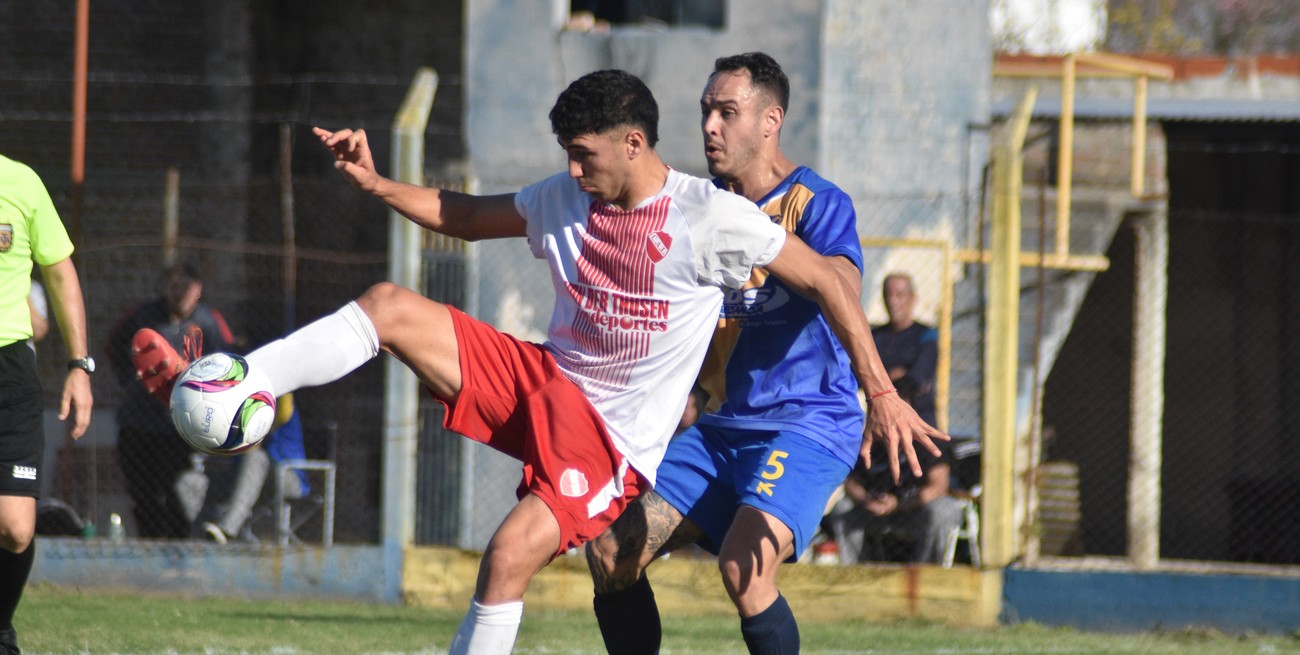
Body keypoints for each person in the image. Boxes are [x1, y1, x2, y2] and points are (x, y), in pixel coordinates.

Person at [133, 68, 933, 655]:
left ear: (632, 142)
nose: (574, 172)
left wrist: (879, 391)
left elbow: (831, 277)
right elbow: (465, 215)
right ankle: (246, 381)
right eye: (568, 158)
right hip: (547, 384)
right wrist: (375, 182)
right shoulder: (565, 195)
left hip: (612, 439)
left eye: (586, 156)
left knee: (520, 551)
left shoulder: (713, 217)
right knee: (388, 305)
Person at [583, 52, 944, 655]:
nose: (709, 127)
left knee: (743, 572)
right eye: (705, 112)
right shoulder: (698, 206)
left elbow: (841, 295)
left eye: (728, 112)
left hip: (807, 423)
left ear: (770, 120)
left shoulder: (816, 203)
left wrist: (881, 392)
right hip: (725, 428)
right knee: (611, 552)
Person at [0, 154, 94, 655]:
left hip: (9, 369)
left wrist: (80, 365)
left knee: (15, 528)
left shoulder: (22, 181)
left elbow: (59, 275)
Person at [106, 262, 236, 538]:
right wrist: (130, 379)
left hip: (180, 427)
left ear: (198, 290)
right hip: (139, 421)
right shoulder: (144, 317)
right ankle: (148, 548)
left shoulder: (209, 322)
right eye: (174, 286)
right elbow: (113, 344)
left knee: (176, 488)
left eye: (186, 287)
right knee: (143, 491)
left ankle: (177, 549)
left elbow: (227, 364)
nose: (179, 293)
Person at [825, 438, 962, 564]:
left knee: (944, 509)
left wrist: (898, 504)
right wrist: (865, 500)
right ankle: (853, 571)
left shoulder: (929, 444)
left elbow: (938, 487)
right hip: (873, 510)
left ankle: (927, 573)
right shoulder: (869, 442)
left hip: (913, 510)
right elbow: (850, 481)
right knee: (842, 507)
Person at [197, 393, 310, 544]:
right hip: (241, 479)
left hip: (287, 477)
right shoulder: (236, 410)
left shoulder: (280, 404)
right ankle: (202, 539)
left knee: (255, 457)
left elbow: (283, 411)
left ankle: (227, 530)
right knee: (190, 482)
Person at [872, 272, 938, 426]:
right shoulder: (874, 336)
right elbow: (857, 375)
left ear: (913, 298)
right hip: (881, 424)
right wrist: (893, 375)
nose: (892, 301)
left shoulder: (926, 335)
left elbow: (918, 377)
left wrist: (879, 379)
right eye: (888, 295)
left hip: (919, 422)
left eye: (899, 295)